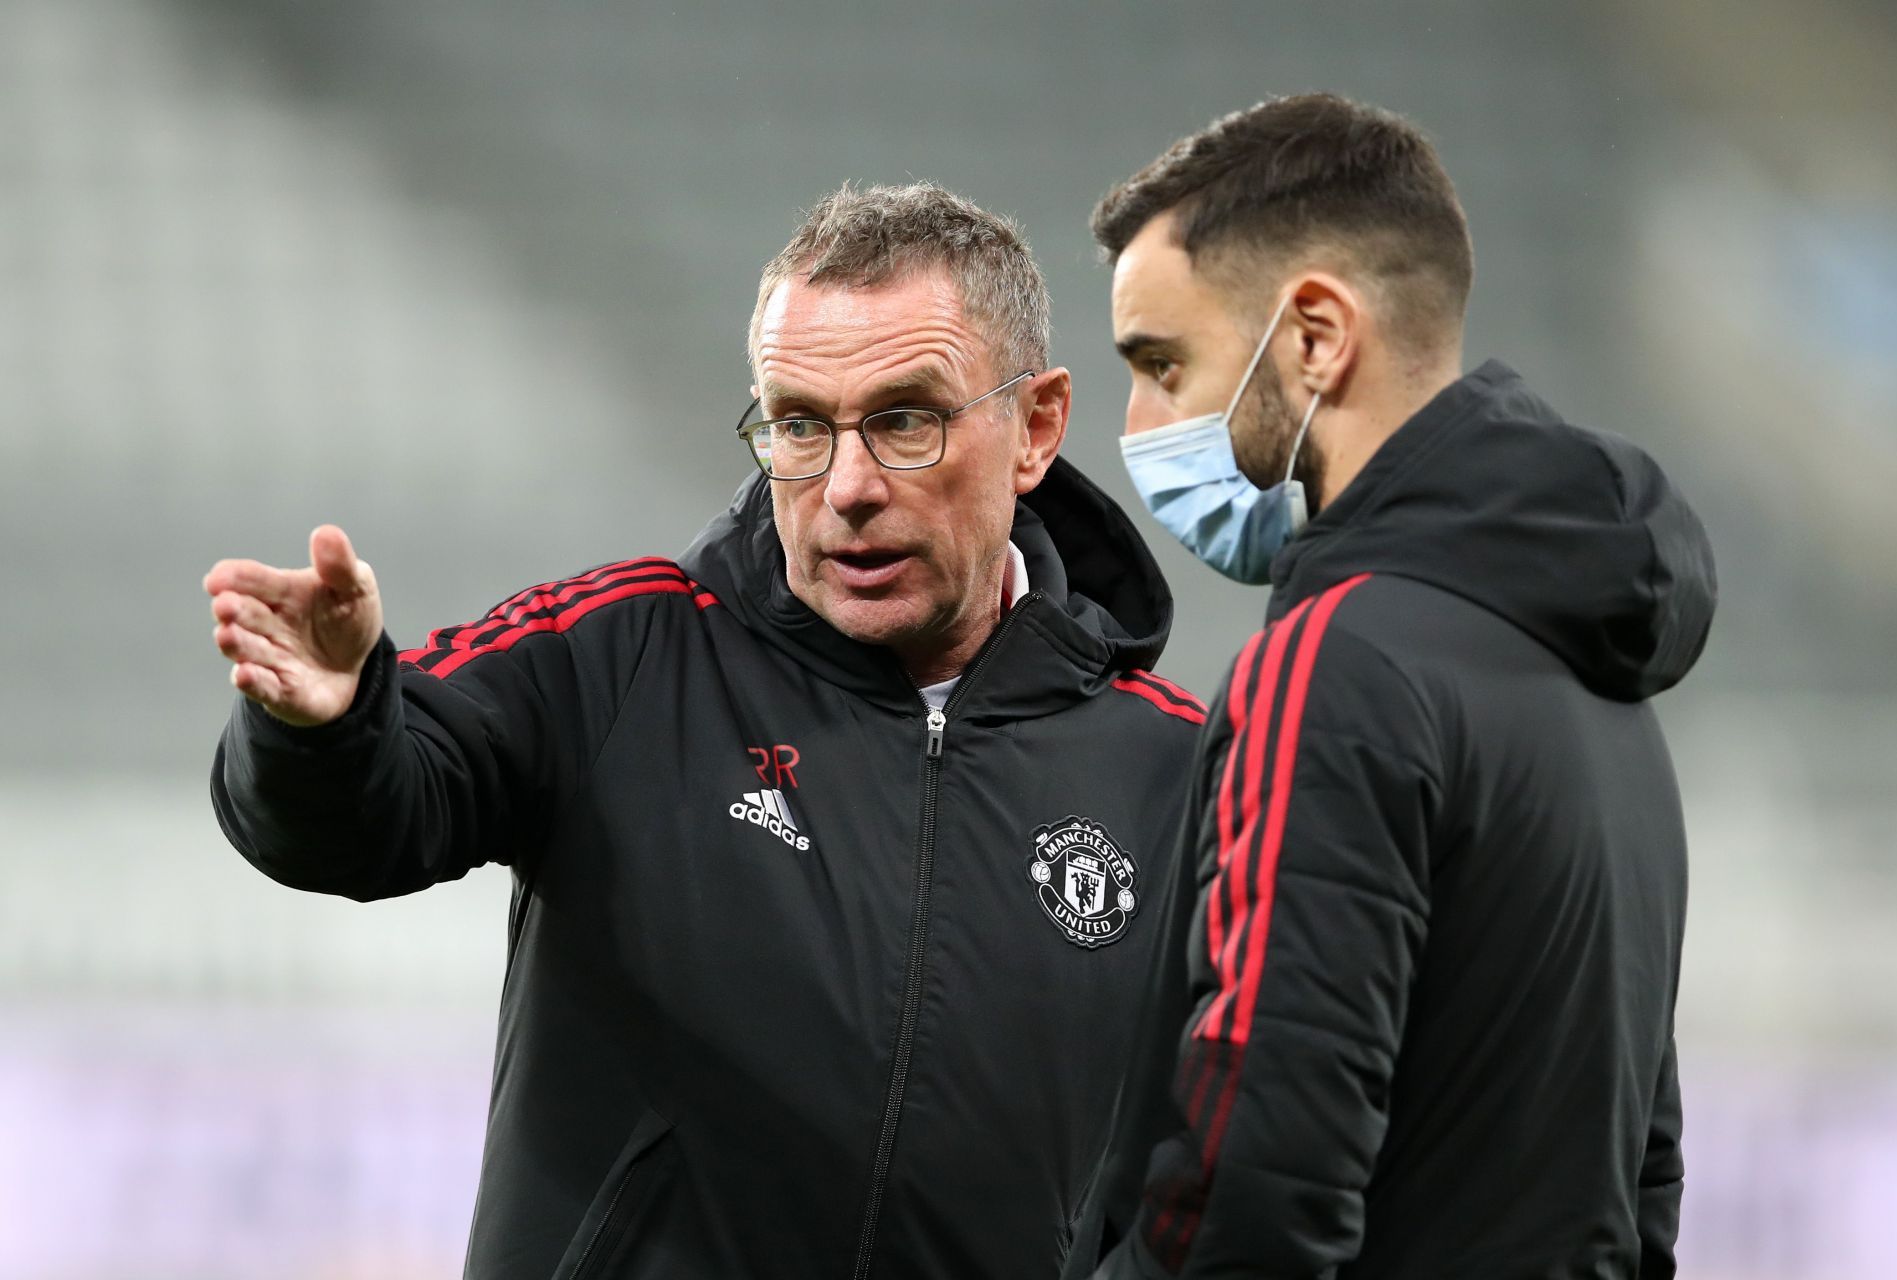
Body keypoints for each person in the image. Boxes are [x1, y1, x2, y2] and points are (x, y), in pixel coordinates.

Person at [204, 182, 1208, 1280]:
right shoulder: (619, 652)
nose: (849, 486)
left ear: (1037, 427)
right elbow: (375, 814)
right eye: (798, 425)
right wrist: (331, 726)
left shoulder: (1171, 770)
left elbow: (1191, 1185)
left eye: (906, 420)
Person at [1071, 95, 1717, 1278]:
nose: (1138, 421)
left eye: (1165, 363)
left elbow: (1252, 1187)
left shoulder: (1337, 664)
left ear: (1315, 335)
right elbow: (1644, 1181)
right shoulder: (1604, 676)